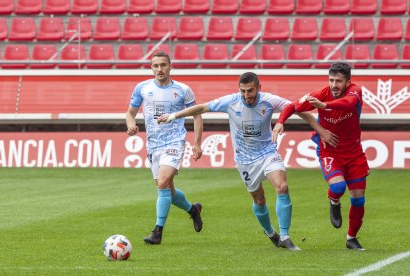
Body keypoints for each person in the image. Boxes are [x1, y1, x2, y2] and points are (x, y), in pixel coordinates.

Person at [158, 72, 331, 251]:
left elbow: (297, 109)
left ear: (259, 87)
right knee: (260, 201)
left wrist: (320, 130)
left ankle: (285, 236)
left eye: (250, 91)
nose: (247, 96)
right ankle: (271, 233)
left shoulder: (269, 101)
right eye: (243, 91)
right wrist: (172, 116)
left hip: (267, 153)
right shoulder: (231, 101)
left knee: (282, 187)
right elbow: (202, 108)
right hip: (245, 160)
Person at [273, 62, 369, 250]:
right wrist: (280, 122)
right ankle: (334, 201)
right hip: (330, 150)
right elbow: (293, 106)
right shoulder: (319, 94)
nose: (334, 85)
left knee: (358, 199)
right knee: (339, 186)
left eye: (339, 81)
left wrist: (325, 106)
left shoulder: (355, 92)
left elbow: (347, 104)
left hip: (354, 153)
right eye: (331, 80)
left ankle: (351, 238)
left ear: (348, 81)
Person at [126, 51, 204, 245]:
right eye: (155, 66)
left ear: (170, 66)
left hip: (174, 142)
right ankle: (192, 209)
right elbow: (130, 113)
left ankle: (157, 232)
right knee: (167, 190)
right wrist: (131, 125)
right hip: (153, 145)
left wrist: (197, 143)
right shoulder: (142, 88)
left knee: (162, 183)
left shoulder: (183, 89)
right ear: (151, 68)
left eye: (163, 65)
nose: (159, 69)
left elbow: (197, 115)